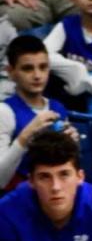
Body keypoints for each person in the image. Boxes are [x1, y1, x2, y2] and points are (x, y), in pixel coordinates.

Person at [0, 34, 70, 190]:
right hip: (17, 200)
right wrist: (25, 137)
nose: (37, 76)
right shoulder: (4, 112)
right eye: (27, 68)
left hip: (55, 194)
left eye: (43, 67)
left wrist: (72, 145)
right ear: (10, 71)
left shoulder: (58, 108)